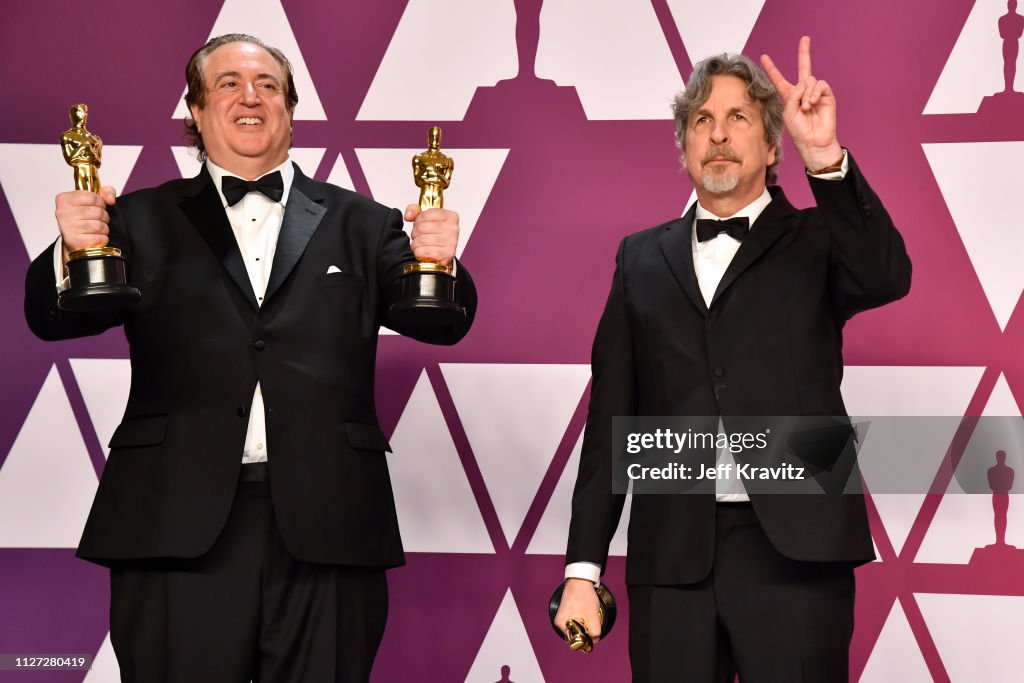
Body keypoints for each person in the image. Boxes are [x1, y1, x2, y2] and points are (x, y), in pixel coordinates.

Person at [24, 34, 476, 682]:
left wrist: (441, 260)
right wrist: (71, 251)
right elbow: (50, 319)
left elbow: (443, 325)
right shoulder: (139, 218)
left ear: (290, 110)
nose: (250, 95)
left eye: (267, 84)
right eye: (228, 83)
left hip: (329, 530)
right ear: (197, 113)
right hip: (174, 526)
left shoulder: (366, 224)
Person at [554, 37, 911, 682]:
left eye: (739, 118)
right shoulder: (639, 259)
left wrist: (825, 156)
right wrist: (584, 568)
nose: (718, 135)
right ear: (684, 145)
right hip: (671, 557)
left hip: (797, 551)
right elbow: (611, 420)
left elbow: (887, 275)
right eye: (702, 121)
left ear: (773, 147)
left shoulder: (816, 238)